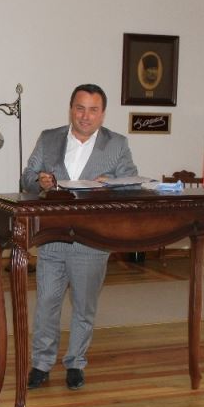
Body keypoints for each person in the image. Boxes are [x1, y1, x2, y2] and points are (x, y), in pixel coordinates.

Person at [20, 83, 137, 391]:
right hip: (52, 237)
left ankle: (75, 363)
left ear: (103, 114)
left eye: (93, 110)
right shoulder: (49, 138)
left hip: (92, 240)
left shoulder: (117, 144)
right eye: (80, 108)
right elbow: (26, 178)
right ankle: (41, 364)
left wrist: (110, 182)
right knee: (46, 304)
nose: (86, 116)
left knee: (84, 308)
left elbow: (131, 183)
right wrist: (40, 182)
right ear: (71, 109)